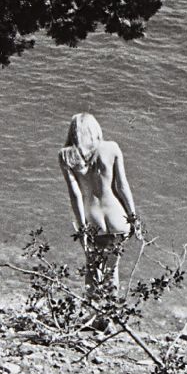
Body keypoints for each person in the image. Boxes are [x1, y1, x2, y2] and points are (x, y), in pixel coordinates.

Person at [58, 112, 140, 292]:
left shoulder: (66, 156)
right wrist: (133, 218)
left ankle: (94, 312)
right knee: (112, 270)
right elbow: (122, 186)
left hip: (94, 222)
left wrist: (82, 230)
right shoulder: (112, 148)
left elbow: (76, 195)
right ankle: (109, 315)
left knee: (92, 269)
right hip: (119, 219)